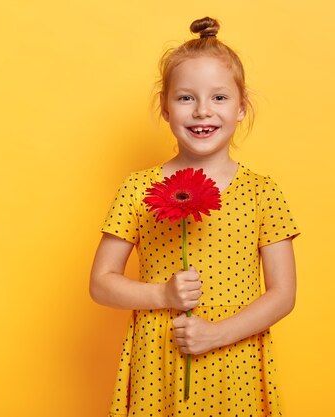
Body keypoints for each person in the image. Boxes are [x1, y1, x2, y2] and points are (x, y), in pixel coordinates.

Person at [89, 16, 300, 417]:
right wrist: (161, 295)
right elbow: (101, 284)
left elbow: (283, 294)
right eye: (186, 98)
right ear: (165, 109)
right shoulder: (138, 189)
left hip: (233, 360)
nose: (203, 111)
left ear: (242, 108)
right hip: (160, 362)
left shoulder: (263, 192)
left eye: (219, 98)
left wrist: (217, 334)